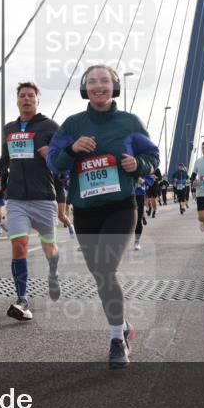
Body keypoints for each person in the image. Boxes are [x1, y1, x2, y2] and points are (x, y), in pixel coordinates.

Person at [48, 64, 159, 369]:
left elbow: (152, 156)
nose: (98, 86)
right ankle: (123, 325)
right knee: (100, 275)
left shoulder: (129, 122)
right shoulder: (72, 124)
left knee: (106, 269)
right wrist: (72, 149)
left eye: (105, 81)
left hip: (120, 207)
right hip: (85, 211)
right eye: (92, 81)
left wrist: (138, 165)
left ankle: (116, 340)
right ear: (85, 88)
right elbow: (54, 163)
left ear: (114, 87)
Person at [0, 81, 65, 322]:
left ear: (37, 100)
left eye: (30, 96)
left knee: (50, 248)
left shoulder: (50, 127)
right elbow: (5, 159)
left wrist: (52, 155)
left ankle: (53, 273)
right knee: (19, 246)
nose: (26, 99)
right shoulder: (9, 128)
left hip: (44, 197)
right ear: (17, 100)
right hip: (16, 198)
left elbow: (63, 160)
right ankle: (22, 299)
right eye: (22, 95)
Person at [133, 172, 154, 251]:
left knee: (138, 220)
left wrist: (143, 180)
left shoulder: (143, 168)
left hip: (139, 195)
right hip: (126, 195)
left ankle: (137, 241)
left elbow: (150, 179)